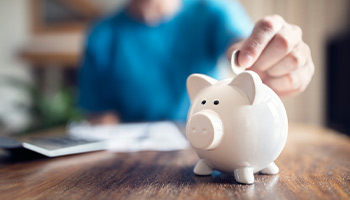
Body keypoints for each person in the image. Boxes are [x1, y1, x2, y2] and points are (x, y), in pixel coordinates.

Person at [78, 0, 314, 125]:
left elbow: (240, 45)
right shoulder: (101, 35)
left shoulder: (212, 9)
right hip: (132, 165)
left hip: (208, 140)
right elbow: (101, 119)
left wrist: (261, 55)